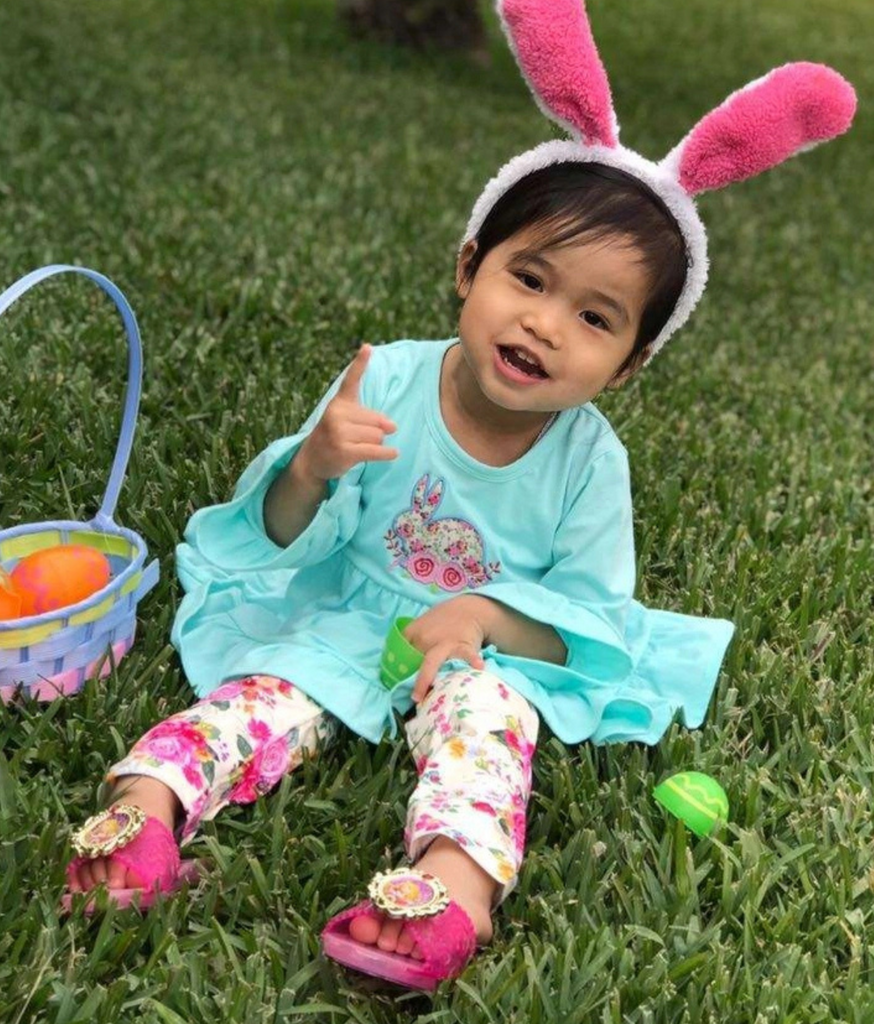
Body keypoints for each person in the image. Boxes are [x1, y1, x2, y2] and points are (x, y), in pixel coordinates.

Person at [63, 0, 855, 992]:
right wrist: (310, 467)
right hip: (347, 615)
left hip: (481, 653)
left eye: (595, 317)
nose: (544, 323)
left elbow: (587, 620)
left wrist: (482, 615)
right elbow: (272, 538)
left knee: (489, 731)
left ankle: (449, 891)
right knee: (252, 698)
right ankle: (141, 811)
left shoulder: (584, 463)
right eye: (528, 276)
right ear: (468, 267)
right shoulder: (385, 381)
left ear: (626, 365)